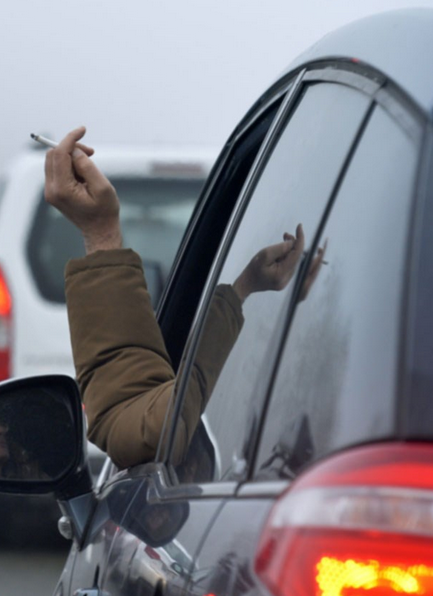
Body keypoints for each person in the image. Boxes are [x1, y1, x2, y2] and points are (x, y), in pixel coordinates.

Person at [43, 127, 324, 469]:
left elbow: (142, 427)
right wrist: (248, 288)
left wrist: (101, 231)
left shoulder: (315, 370)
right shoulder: (331, 363)